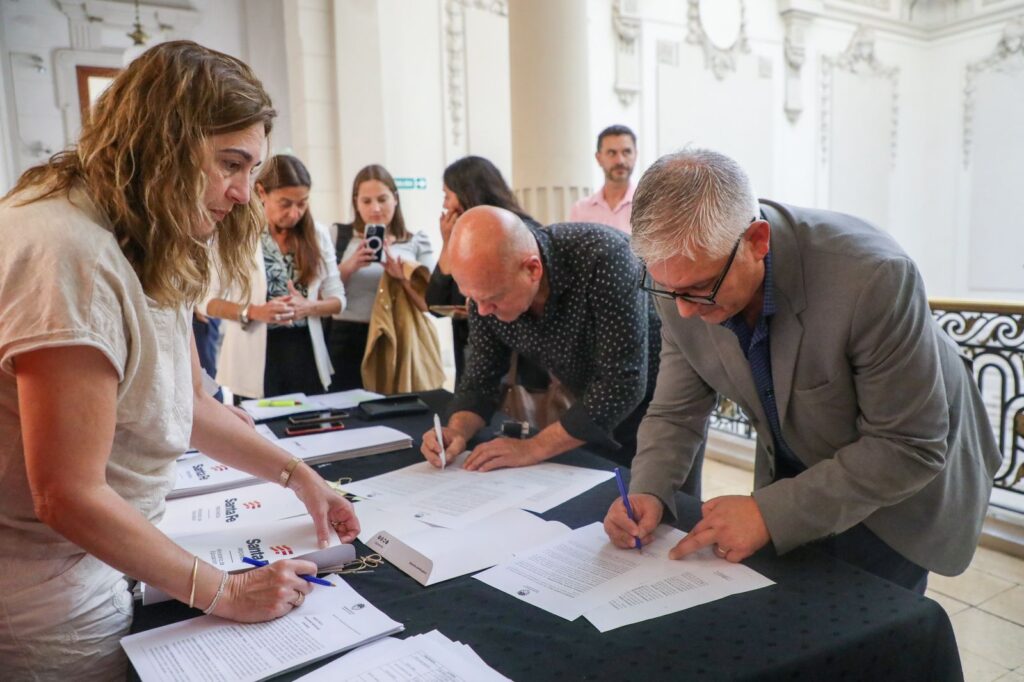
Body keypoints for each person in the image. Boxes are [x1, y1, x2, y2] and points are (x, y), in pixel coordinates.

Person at [0, 42, 359, 678]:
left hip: (108, 561)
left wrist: (297, 475)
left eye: (254, 169)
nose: (245, 194)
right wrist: (225, 591)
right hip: (47, 593)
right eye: (231, 163)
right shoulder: (68, 253)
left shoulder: (144, 227)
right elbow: (67, 494)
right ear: (164, 143)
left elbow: (188, 404)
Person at [603, 148, 1001, 593]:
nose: (682, 310)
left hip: (899, 491)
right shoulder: (682, 275)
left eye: (699, 289)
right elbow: (676, 410)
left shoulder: (872, 277)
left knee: (872, 636)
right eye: (668, 289)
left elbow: (908, 445)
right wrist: (649, 490)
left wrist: (768, 513)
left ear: (756, 241)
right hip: (798, 467)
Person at [420, 206, 697, 482]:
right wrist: (457, 430)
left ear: (532, 269)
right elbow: (481, 378)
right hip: (590, 410)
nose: (481, 311)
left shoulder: (604, 258)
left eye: (491, 299)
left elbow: (623, 382)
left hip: (667, 407)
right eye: (473, 299)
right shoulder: (489, 291)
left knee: (667, 508)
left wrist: (533, 448)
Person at [201, 154, 345, 399]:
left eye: (302, 203)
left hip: (306, 355)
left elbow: (339, 299)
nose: (295, 212)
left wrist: (309, 307)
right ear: (261, 192)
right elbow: (206, 301)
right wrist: (253, 312)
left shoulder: (317, 235)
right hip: (255, 358)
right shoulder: (237, 236)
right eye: (285, 203)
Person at [426, 155, 540, 384]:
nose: (445, 205)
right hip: (469, 350)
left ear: (467, 193)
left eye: (447, 195)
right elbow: (436, 304)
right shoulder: (464, 240)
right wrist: (448, 243)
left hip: (514, 358)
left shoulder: (520, 232)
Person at [328, 165, 436, 391]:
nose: (375, 208)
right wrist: (349, 266)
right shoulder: (339, 236)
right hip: (344, 338)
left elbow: (428, 304)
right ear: (356, 202)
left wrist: (401, 277)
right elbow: (322, 292)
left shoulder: (416, 241)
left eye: (382, 199)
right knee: (347, 408)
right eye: (366, 201)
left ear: (395, 199)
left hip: (396, 335)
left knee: (394, 408)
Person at [568, 124, 637, 233]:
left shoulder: (649, 208)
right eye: (611, 153)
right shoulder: (580, 210)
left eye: (626, 152)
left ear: (636, 155)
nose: (620, 161)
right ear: (599, 158)